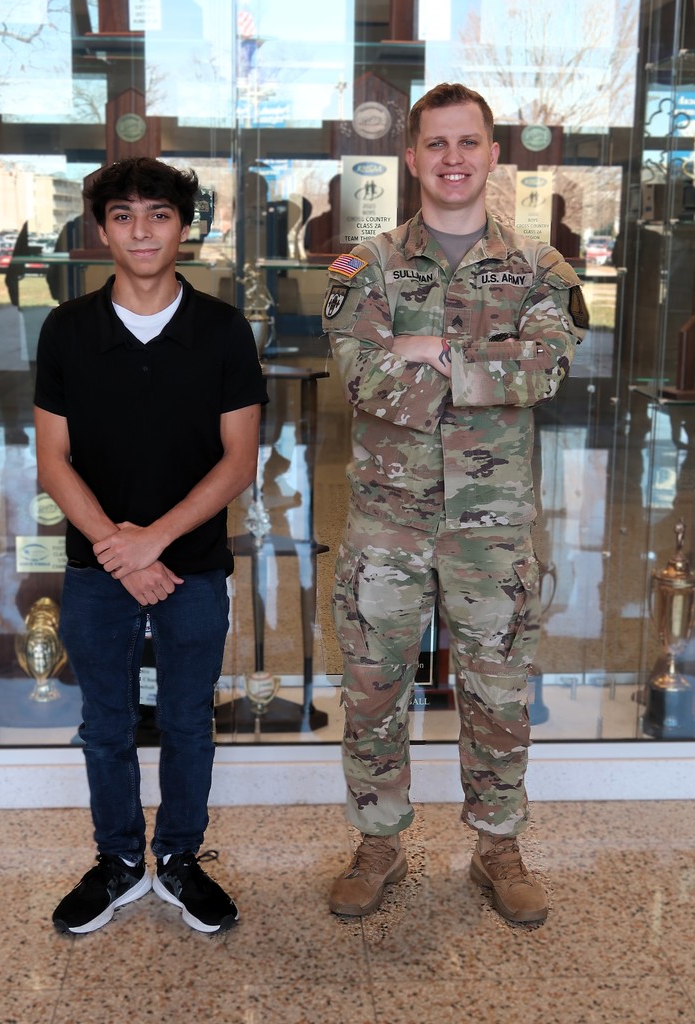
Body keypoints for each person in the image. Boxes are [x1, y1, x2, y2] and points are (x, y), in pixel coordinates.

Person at [322, 83, 588, 924]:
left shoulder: (540, 267)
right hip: (388, 522)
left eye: (468, 142)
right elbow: (357, 376)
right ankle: (377, 842)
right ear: (412, 159)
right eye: (435, 144)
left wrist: (432, 354)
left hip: (493, 525)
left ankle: (498, 850)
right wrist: (487, 362)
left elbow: (546, 370)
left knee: (499, 692)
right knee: (373, 688)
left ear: (493, 153)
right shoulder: (369, 265)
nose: (453, 159)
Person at [34, 156, 267, 935]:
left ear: (183, 229)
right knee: (104, 723)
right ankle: (119, 862)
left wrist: (154, 543)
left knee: (187, 719)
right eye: (125, 215)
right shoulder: (67, 329)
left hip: (191, 569)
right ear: (101, 230)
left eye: (159, 214)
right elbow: (52, 459)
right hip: (97, 571)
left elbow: (239, 460)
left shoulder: (222, 329)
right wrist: (115, 548)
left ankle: (180, 859)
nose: (142, 230)